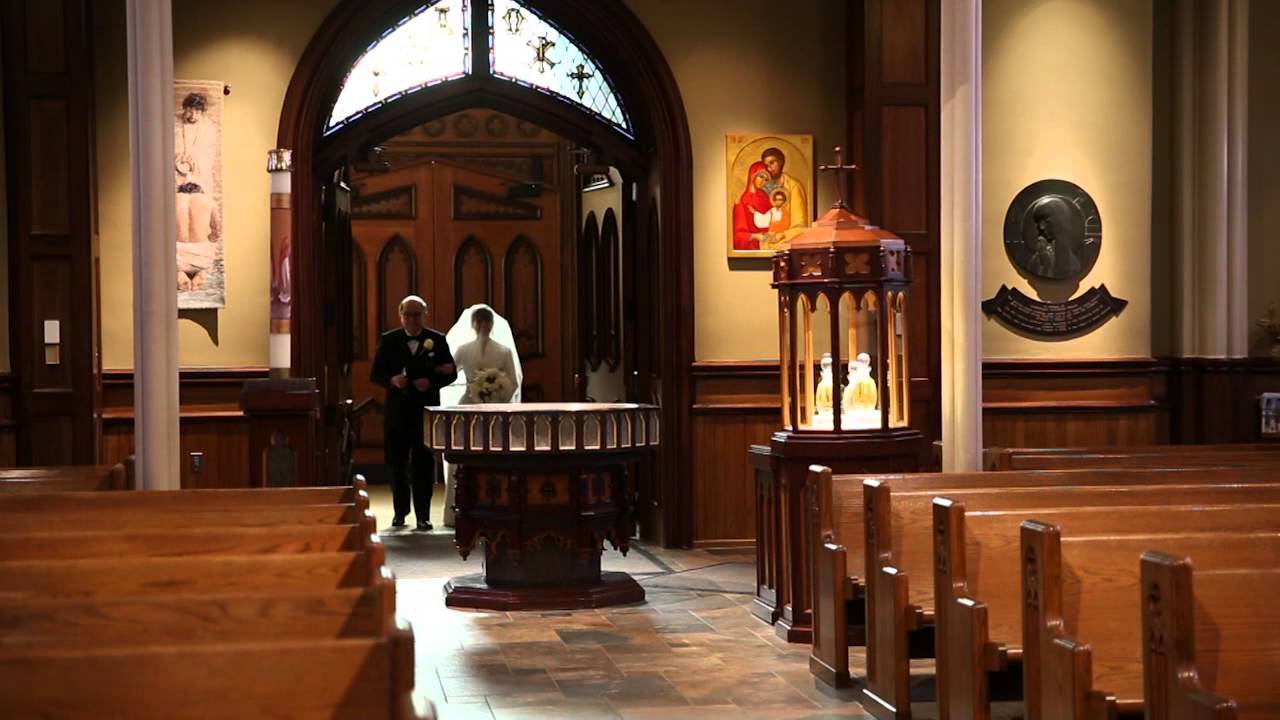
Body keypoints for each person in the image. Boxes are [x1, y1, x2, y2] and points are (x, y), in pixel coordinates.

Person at [370, 295, 457, 530]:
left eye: (417, 314)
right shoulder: (389, 340)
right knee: (396, 464)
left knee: (423, 465)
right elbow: (375, 374)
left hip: (425, 412)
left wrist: (431, 381)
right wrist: (392, 380)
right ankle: (400, 513)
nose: (412, 319)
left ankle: (423, 515)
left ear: (424, 315)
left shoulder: (436, 340)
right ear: (400, 316)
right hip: (397, 413)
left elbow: (451, 372)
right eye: (407, 314)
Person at [439, 304, 524, 527]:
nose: (483, 326)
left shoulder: (504, 351)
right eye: (479, 322)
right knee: (462, 454)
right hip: (468, 405)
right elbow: (449, 373)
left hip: (495, 408)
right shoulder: (463, 349)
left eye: (486, 322)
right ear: (473, 325)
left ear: (491, 325)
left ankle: (496, 505)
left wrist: (497, 395)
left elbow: (513, 381)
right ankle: (457, 508)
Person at [174, 92, 220, 291]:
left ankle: (181, 271)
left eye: (197, 111)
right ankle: (197, 271)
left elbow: (207, 153)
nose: (192, 114)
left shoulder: (208, 129)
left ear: (202, 112)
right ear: (184, 109)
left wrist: (193, 160)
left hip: (197, 172)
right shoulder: (174, 124)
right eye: (189, 110)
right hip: (178, 171)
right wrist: (178, 159)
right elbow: (216, 233)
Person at [761, 146, 809, 243]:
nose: (769, 168)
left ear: (781, 162)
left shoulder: (793, 186)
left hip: (786, 238)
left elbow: (799, 224)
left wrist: (782, 235)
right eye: (766, 165)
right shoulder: (763, 186)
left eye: (772, 162)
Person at [732, 161, 774, 250]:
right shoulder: (742, 202)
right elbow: (738, 236)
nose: (763, 181)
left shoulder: (767, 200)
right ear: (753, 176)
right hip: (754, 246)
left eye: (766, 179)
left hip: (769, 243)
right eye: (761, 177)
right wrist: (754, 236)